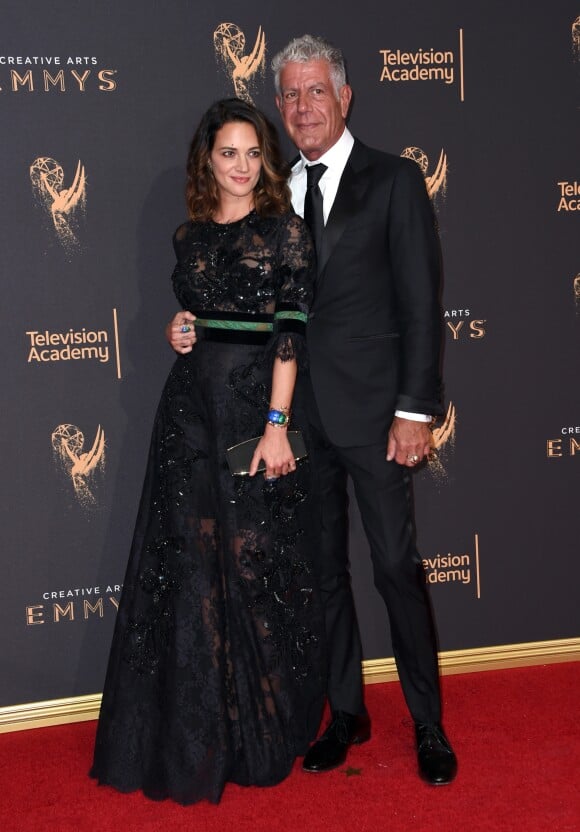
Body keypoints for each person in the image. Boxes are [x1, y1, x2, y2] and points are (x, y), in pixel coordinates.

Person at [169, 36, 458, 786]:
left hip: (376, 416)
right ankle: (346, 713)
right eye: (290, 96)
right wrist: (193, 323)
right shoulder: (269, 194)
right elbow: (245, 298)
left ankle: (427, 723)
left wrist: (415, 412)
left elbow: (423, 308)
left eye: (315, 92)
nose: (301, 108)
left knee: (396, 566)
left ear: (345, 96)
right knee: (322, 575)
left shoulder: (394, 180)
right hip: (294, 422)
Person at [91, 97, 325, 805]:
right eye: (229, 153)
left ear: (267, 160)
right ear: (207, 160)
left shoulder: (286, 232)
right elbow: (197, 314)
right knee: (191, 563)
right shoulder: (188, 237)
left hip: (255, 409)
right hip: (188, 414)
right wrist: (178, 330)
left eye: (254, 153)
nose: (242, 166)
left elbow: (289, 333)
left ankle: (263, 724)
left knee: (254, 560)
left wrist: (279, 423)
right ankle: (197, 734)